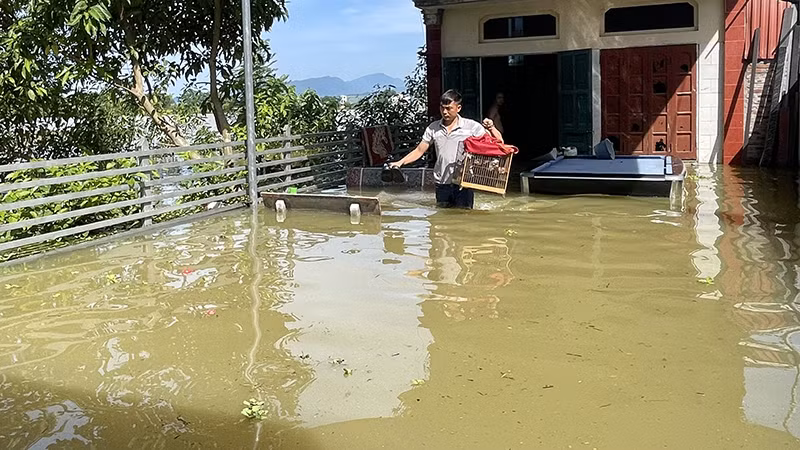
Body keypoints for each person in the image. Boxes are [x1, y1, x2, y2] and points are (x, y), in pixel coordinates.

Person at [390, 89, 503, 209]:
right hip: (441, 184)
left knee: (464, 219)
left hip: (463, 184)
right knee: (442, 220)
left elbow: (498, 143)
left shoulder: (471, 127)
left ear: (458, 108)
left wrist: (492, 128)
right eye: (442, 108)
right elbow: (419, 151)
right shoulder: (433, 128)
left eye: (449, 108)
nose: (445, 112)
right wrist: (399, 162)